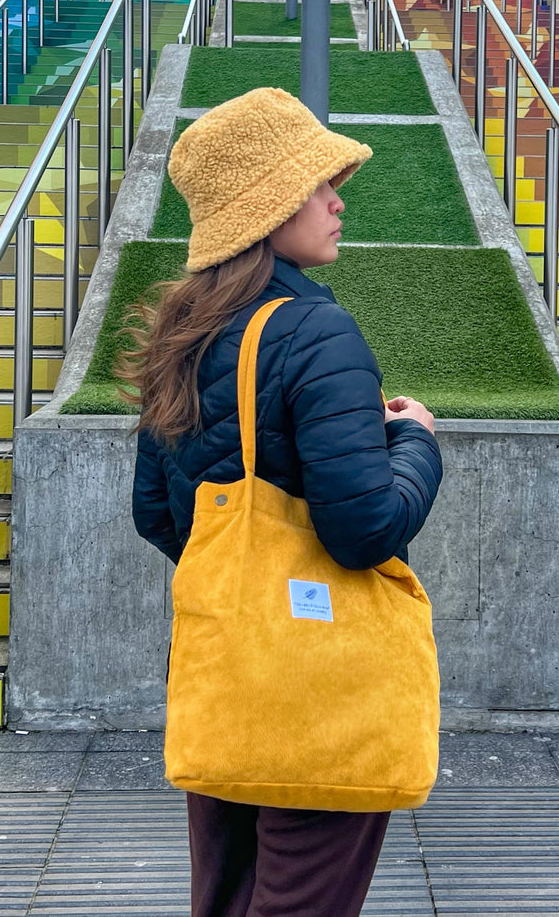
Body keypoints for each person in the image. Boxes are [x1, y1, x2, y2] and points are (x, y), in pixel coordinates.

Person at [119, 86, 444, 917]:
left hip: (229, 680)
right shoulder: (314, 332)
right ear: (266, 208)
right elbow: (365, 530)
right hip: (315, 689)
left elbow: (159, 513)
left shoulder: (182, 333)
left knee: (225, 898)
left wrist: (248, 577)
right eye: (316, 184)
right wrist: (415, 443)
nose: (338, 201)